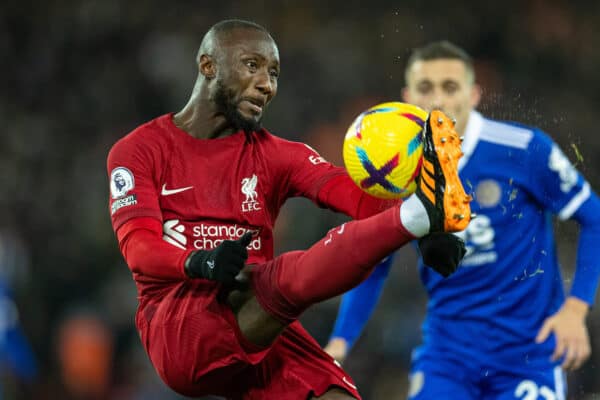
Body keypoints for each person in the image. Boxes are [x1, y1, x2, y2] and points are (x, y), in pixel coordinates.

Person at [106, 21, 471, 400]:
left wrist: (430, 236)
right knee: (276, 277)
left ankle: (418, 216)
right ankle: (416, 214)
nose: (267, 84)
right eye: (252, 65)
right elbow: (140, 249)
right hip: (180, 322)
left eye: (274, 73)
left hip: (259, 321)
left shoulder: (277, 154)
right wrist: (201, 262)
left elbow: (355, 197)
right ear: (208, 65)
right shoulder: (139, 150)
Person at [325, 40, 600, 399]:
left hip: (529, 355)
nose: (437, 99)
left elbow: (594, 217)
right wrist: (339, 342)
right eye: (426, 88)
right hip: (448, 358)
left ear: (473, 94)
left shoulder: (523, 149)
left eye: (449, 87)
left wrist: (576, 309)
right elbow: (374, 265)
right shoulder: (395, 176)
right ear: (408, 98)